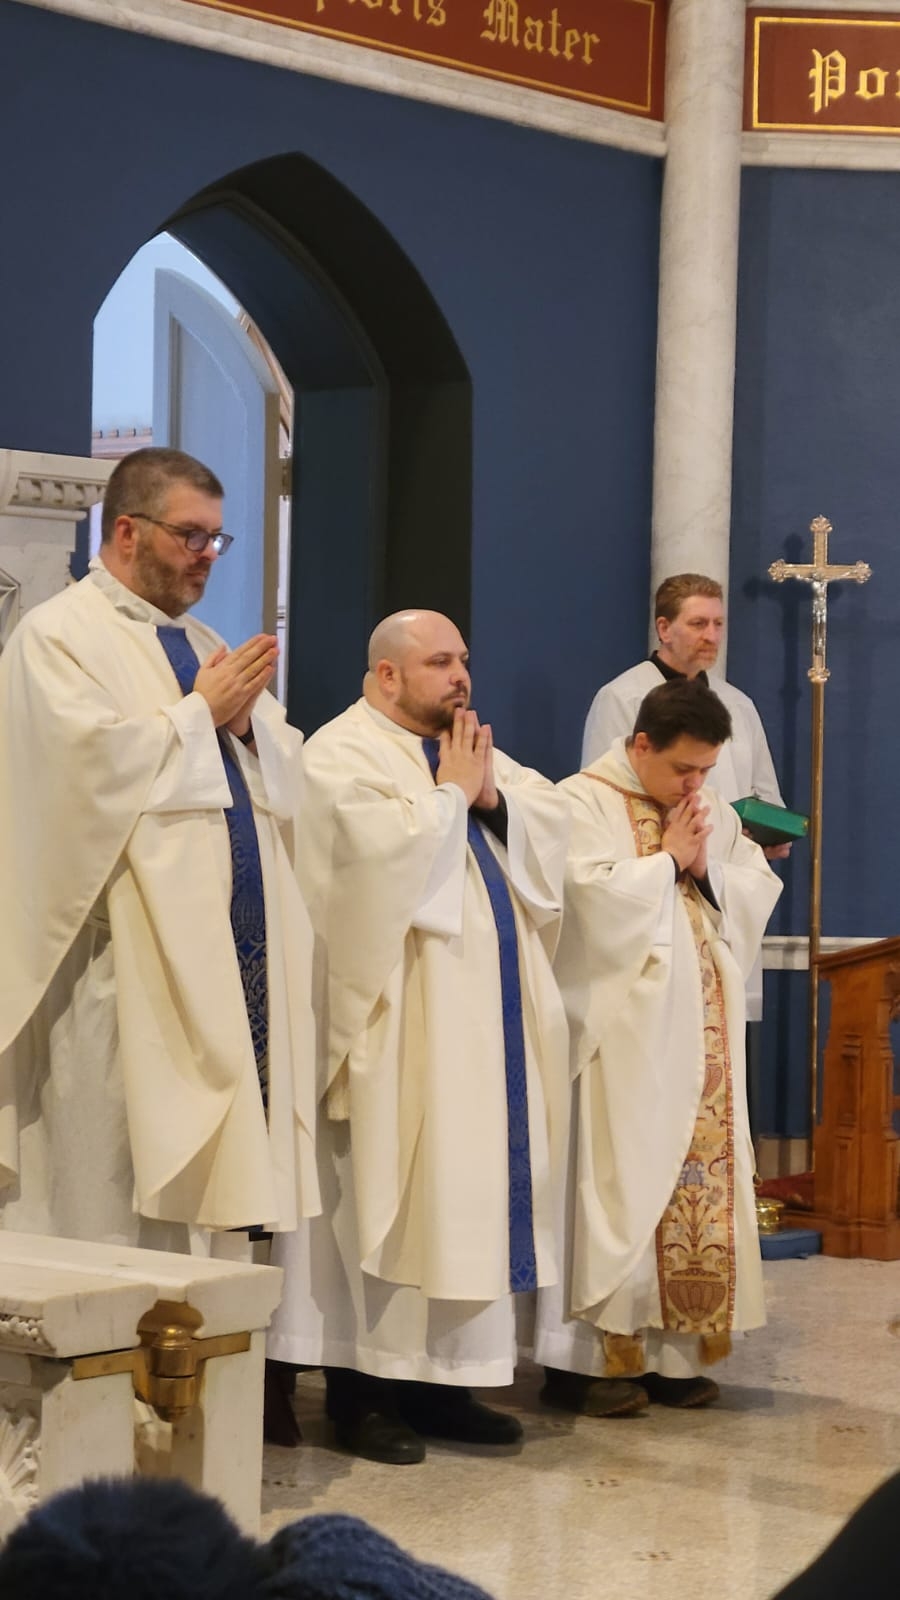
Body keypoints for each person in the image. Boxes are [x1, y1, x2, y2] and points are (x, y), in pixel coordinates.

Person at [268, 610, 570, 1464]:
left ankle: (446, 1384)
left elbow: (551, 821)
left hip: (483, 1025)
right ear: (388, 675)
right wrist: (450, 798)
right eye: (440, 662)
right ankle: (364, 1396)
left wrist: (493, 797)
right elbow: (364, 870)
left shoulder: (469, 748)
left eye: (464, 659)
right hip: (395, 1023)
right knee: (388, 1196)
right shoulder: (338, 753)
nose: (460, 676)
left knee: (465, 1196)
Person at [0, 448, 319, 1253]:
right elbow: (75, 779)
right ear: (126, 531)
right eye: (190, 536)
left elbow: (289, 774)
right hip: (115, 974)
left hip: (220, 968)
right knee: (107, 1192)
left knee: (202, 1218)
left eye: (217, 539)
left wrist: (243, 726)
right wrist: (198, 716)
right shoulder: (57, 637)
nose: (207, 556)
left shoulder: (202, 641)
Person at [534, 679, 782, 1415]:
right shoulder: (579, 801)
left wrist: (704, 867)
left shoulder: (703, 810)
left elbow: (751, 885)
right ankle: (587, 1365)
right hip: (621, 1038)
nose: (695, 785)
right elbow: (575, 905)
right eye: (682, 769)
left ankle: (675, 1356)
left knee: (692, 1184)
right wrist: (667, 863)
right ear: (640, 745)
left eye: (706, 770)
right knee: (617, 1182)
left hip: (702, 1034)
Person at [581, 572, 785, 816]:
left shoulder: (737, 703)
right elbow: (602, 795)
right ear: (664, 629)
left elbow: (766, 795)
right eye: (698, 624)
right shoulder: (622, 698)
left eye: (718, 624)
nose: (711, 636)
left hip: (734, 850)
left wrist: (765, 836)